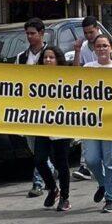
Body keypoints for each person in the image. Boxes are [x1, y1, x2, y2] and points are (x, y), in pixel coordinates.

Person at [83, 35, 112, 213]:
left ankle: (110, 197)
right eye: (98, 46)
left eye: (105, 46)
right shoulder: (87, 68)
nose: (101, 49)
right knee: (91, 160)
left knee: (110, 161)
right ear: (94, 49)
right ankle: (103, 183)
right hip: (91, 122)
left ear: (110, 48)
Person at [15, 17, 55, 198]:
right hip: (29, 110)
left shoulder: (51, 55)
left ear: (41, 34)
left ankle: (38, 182)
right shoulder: (21, 57)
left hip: (48, 109)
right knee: (35, 148)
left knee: (42, 149)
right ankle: (50, 172)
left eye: (33, 33)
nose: (30, 37)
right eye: (28, 34)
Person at [32, 46, 73, 211]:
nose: (48, 60)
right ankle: (52, 188)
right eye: (45, 58)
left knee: (61, 163)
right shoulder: (36, 77)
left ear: (58, 60)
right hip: (42, 125)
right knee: (39, 160)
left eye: (51, 58)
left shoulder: (67, 77)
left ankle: (65, 197)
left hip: (61, 126)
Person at [72, 16, 102, 181]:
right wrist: (77, 51)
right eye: (86, 33)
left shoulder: (106, 44)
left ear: (97, 29)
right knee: (86, 129)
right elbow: (76, 71)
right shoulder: (83, 48)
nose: (89, 35)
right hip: (88, 94)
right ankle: (85, 165)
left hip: (105, 94)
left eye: (91, 32)